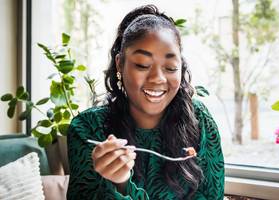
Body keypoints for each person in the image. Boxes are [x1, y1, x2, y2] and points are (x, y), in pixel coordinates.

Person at [67, 5, 224, 200]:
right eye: (142, 65)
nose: (158, 78)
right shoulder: (87, 128)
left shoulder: (199, 120)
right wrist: (121, 184)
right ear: (119, 64)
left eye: (171, 67)